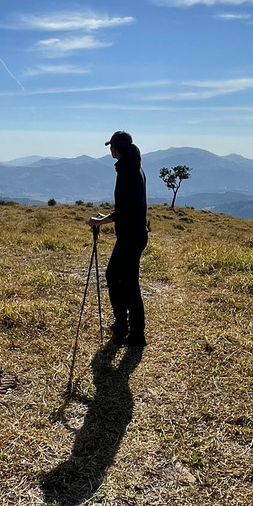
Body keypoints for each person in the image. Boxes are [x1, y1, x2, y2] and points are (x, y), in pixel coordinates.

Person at [89, 131, 148, 348]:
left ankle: (136, 333)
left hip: (130, 237)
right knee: (116, 276)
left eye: (111, 147)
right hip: (134, 234)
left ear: (117, 149)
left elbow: (124, 209)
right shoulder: (133, 168)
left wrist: (101, 221)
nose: (110, 151)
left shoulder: (128, 172)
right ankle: (123, 323)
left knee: (127, 282)